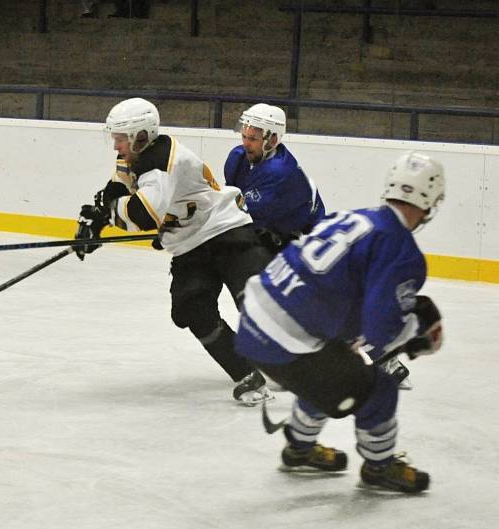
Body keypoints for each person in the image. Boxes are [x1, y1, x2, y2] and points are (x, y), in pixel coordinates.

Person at [233, 151, 446, 493]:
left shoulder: (355, 217)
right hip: (285, 340)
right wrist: (417, 332)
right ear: (430, 202)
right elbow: (380, 334)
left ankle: (300, 448)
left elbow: (337, 292)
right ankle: (380, 466)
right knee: (378, 389)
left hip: (253, 320)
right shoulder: (401, 249)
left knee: (331, 368)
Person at [74, 97, 274, 405]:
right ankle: (246, 372)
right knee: (192, 310)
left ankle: (321, 364)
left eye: (119, 139)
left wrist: (109, 215)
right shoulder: (134, 156)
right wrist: (95, 221)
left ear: (140, 135)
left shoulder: (160, 159)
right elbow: (118, 188)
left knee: (259, 303)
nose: (116, 146)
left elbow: (143, 214)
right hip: (191, 245)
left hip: (226, 233)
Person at [224, 103, 325, 255]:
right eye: (244, 136)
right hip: (268, 227)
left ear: (272, 140)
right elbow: (230, 197)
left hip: (301, 237)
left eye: (252, 138)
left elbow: (246, 218)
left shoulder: (280, 172)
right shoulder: (237, 157)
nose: (245, 143)